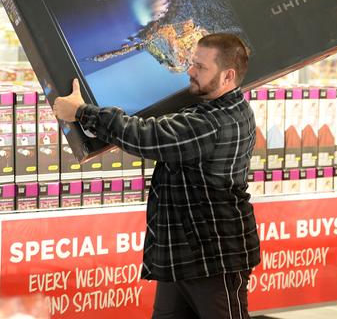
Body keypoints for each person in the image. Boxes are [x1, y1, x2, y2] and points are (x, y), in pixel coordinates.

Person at [53, 33, 260, 319]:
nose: (190, 71)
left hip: (214, 257)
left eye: (200, 67)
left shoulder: (212, 123)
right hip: (185, 253)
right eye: (193, 63)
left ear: (228, 76)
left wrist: (81, 113)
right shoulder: (224, 107)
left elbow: (147, 137)